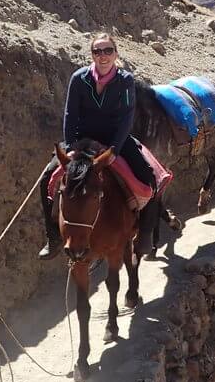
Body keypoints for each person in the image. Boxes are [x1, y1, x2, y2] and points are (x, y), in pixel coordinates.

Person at [37, 33, 157, 259]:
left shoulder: (125, 80)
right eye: (97, 51)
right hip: (83, 138)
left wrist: (115, 150)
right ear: (91, 54)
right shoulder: (78, 78)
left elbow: (126, 118)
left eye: (107, 51)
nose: (103, 56)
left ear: (116, 53)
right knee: (46, 179)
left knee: (149, 176)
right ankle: (53, 237)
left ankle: (146, 234)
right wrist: (71, 146)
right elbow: (70, 114)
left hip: (115, 139)